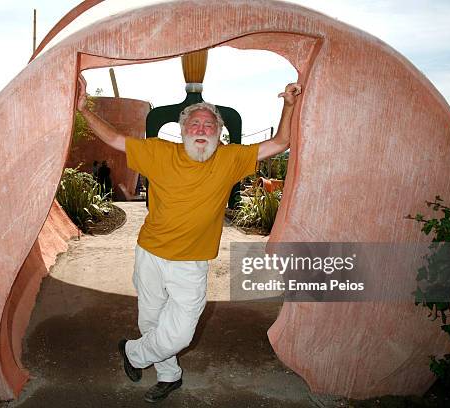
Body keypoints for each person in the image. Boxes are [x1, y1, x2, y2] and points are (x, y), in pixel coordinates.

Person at [77, 75, 302, 403]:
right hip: (149, 253)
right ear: (182, 130)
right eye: (194, 123)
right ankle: (170, 376)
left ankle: (134, 353)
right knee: (151, 319)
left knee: (179, 332)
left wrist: (289, 105)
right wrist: (84, 108)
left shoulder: (230, 159)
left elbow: (281, 142)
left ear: (219, 132)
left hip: (191, 262)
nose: (201, 129)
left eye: (209, 125)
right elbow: (114, 139)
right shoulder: (159, 152)